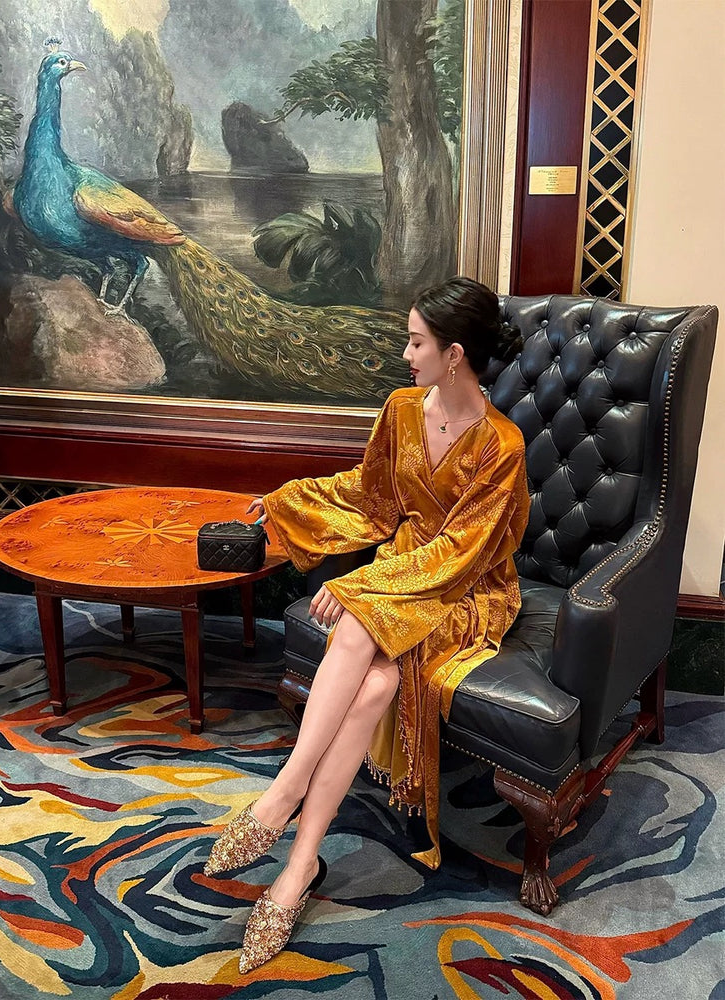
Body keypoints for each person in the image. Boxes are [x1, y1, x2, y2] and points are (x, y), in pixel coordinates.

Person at [204, 276, 530, 973]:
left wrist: (359, 585)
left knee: (354, 624)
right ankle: (300, 866)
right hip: (406, 570)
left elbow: (461, 554)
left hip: (466, 589)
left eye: (416, 342)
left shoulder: (502, 446)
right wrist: (289, 500)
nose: (405, 355)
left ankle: (283, 793)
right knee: (376, 686)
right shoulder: (401, 411)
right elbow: (372, 496)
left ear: (454, 354)